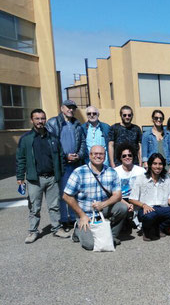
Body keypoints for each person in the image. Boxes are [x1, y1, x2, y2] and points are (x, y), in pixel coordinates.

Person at [16, 109, 70, 243]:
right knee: (34, 207)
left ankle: (57, 228)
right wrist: (20, 177)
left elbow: (61, 156)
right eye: (37, 118)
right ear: (32, 120)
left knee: (54, 206)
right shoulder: (26, 139)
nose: (40, 121)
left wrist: (60, 173)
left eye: (42, 118)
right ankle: (33, 231)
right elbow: (21, 159)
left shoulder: (52, 137)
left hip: (52, 178)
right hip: (35, 179)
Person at [63, 145, 128, 250]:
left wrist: (103, 204)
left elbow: (118, 195)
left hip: (103, 211)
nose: (98, 156)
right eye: (95, 154)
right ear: (90, 155)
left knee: (122, 208)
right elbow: (66, 196)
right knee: (90, 245)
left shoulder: (111, 172)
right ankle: (77, 231)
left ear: (105, 156)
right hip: (86, 215)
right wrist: (82, 215)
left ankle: (111, 235)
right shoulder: (79, 172)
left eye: (101, 154)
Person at [45, 99, 86, 229]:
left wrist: (79, 155)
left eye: (73, 108)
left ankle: (74, 218)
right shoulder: (52, 123)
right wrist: (64, 156)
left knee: (75, 192)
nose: (71, 110)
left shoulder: (77, 124)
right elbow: (50, 145)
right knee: (63, 193)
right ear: (62, 108)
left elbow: (83, 142)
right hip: (62, 164)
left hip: (75, 163)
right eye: (68, 107)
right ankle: (63, 219)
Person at [129, 153, 170, 241]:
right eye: (155, 164)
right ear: (150, 165)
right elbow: (131, 199)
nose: (158, 167)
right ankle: (146, 231)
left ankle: (160, 228)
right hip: (147, 209)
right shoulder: (141, 178)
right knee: (149, 216)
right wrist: (144, 205)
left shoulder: (166, 179)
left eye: (160, 164)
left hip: (162, 209)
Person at [113, 143, 145, 230]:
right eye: (124, 156)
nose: (127, 157)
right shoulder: (115, 172)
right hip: (121, 199)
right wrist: (127, 204)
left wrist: (135, 203)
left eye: (129, 155)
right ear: (120, 158)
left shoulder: (141, 171)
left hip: (137, 199)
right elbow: (113, 193)